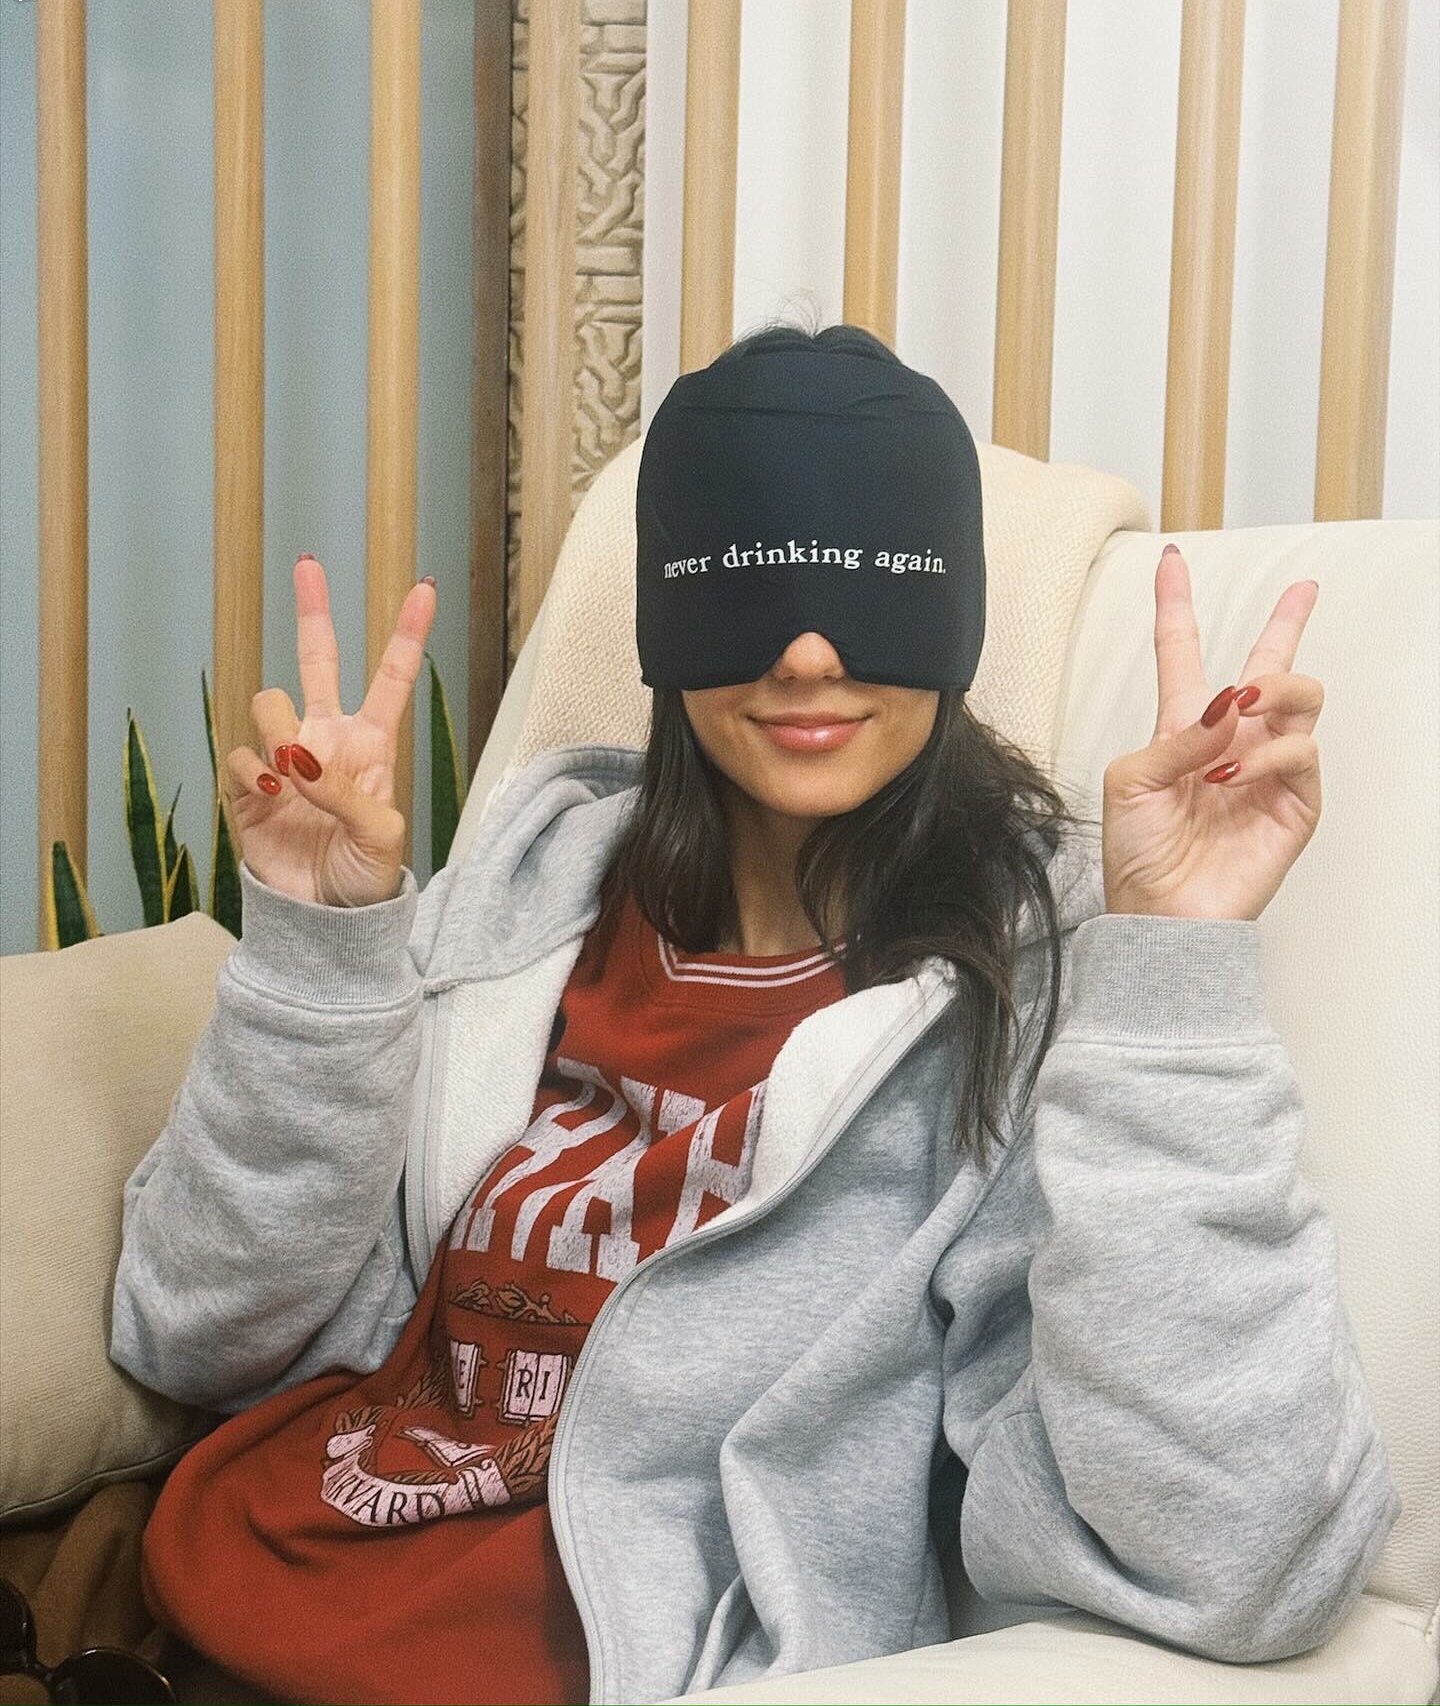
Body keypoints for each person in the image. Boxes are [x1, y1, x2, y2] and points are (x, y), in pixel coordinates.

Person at [111, 323, 1398, 1706]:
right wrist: (321, 951)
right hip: (196, 1607)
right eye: (752, 580)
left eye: (871, 584)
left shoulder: (1029, 997)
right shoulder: (523, 903)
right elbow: (192, 1330)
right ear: (668, 615)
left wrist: (1178, 976)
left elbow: (1239, 1563)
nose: (807, 652)